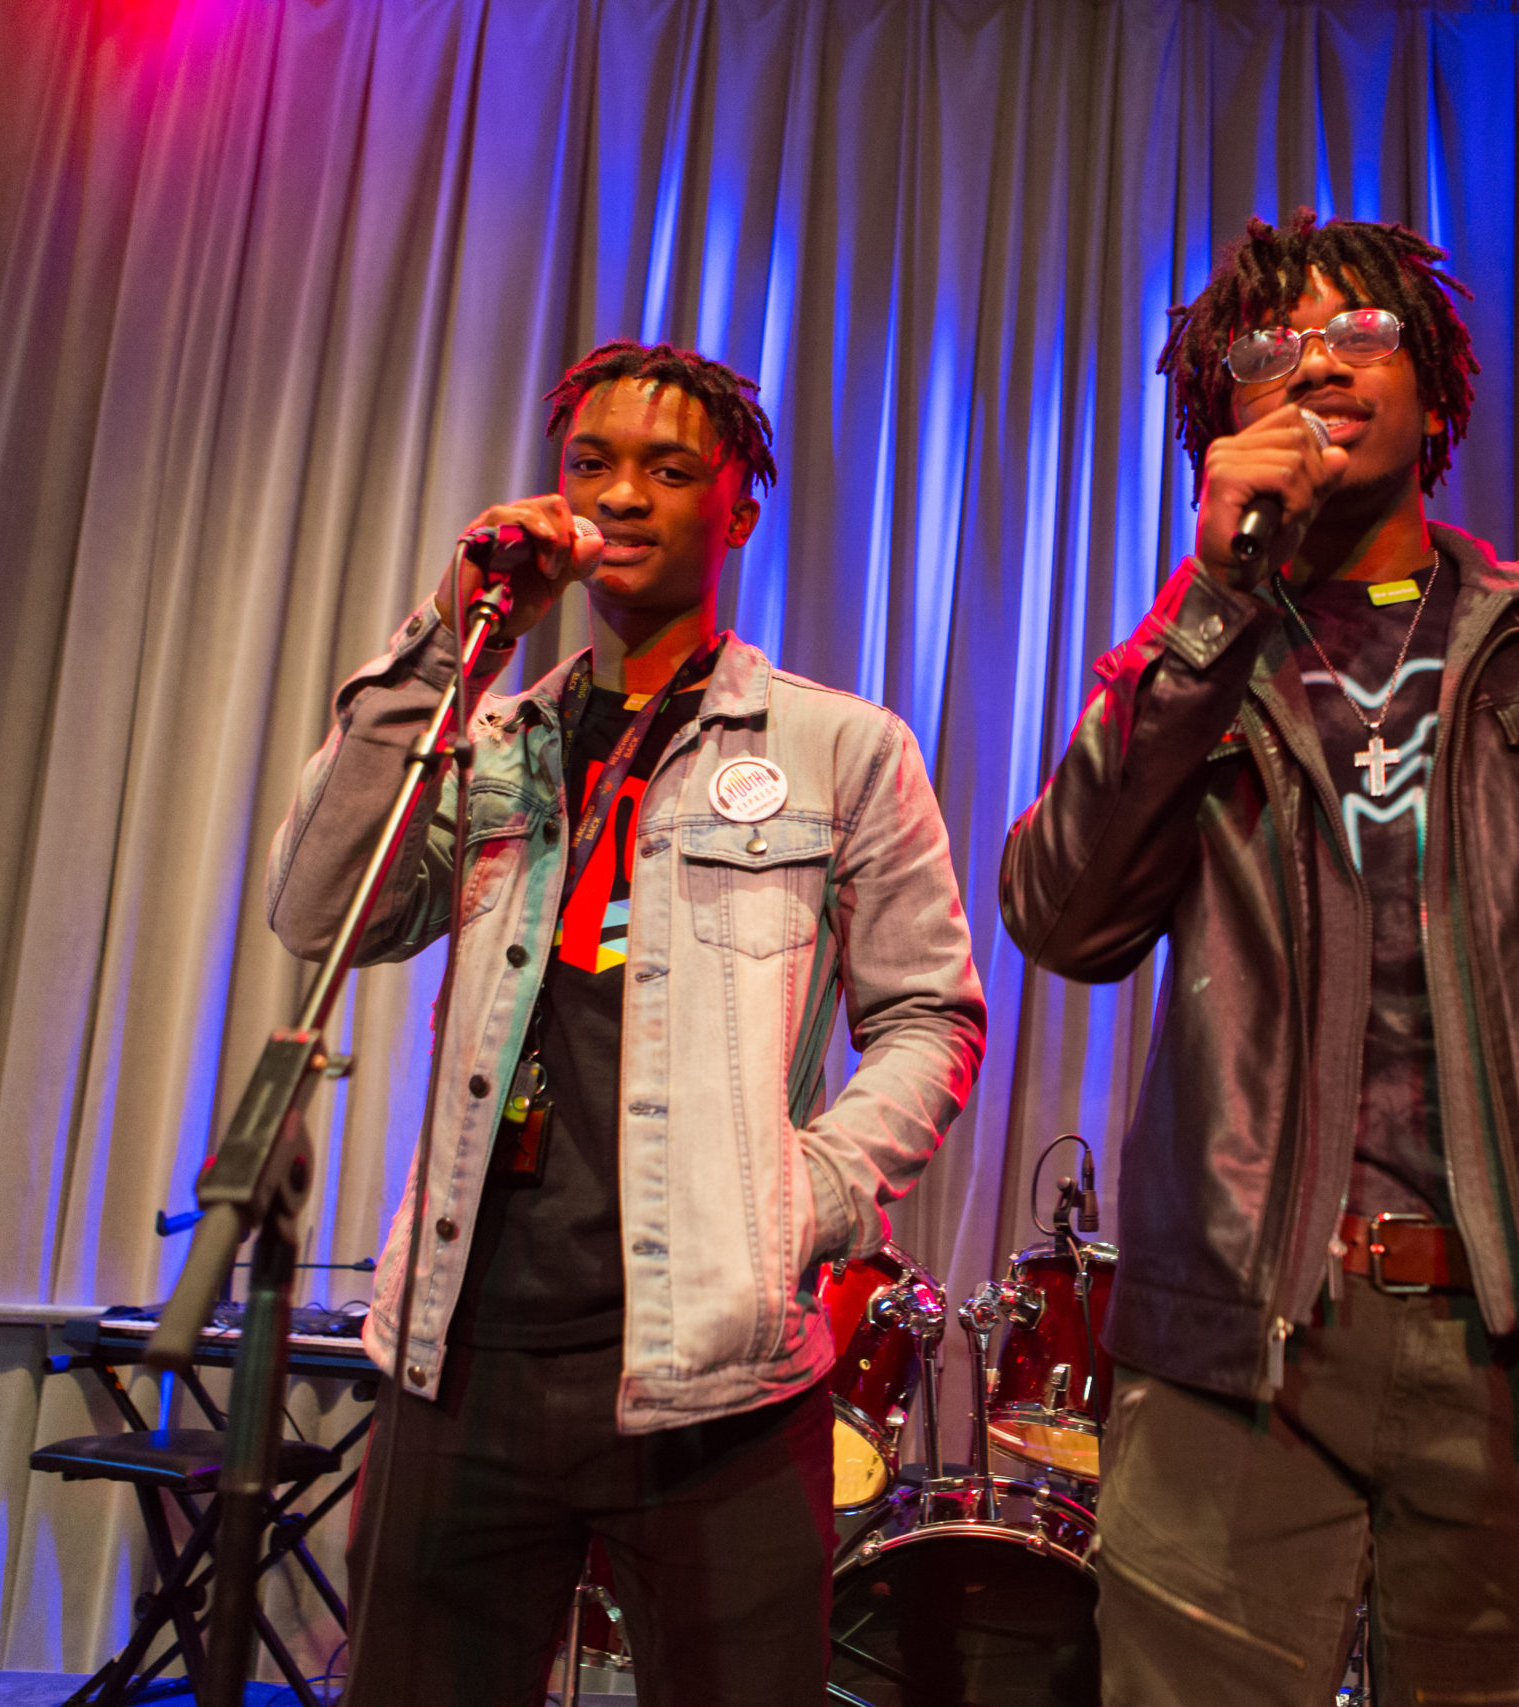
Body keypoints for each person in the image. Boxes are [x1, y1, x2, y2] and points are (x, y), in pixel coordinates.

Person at [998, 212, 1519, 1706]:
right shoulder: (1189, 659)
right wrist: (1211, 603)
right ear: (1219, 422)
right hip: (1240, 1351)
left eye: (1361, 333)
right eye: (1266, 347)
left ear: (1434, 388)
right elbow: (1066, 918)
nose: (1317, 362)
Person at [266, 339, 986, 1705]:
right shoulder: (484, 737)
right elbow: (320, 909)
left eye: (670, 468)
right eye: (592, 463)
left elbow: (929, 1018)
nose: (625, 493)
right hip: (461, 1352)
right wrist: (443, 637)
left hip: (716, 1368)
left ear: (739, 508)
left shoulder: (841, 748)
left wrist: (808, 1197)